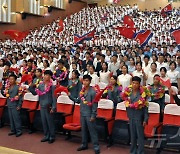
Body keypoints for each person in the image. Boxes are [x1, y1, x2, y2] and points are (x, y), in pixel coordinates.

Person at [121, 76, 149, 154]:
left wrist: (145, 119)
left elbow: (145, 107)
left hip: (139, 117)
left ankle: (140, 151)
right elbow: (126, 104)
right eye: (133, 83)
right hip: (131, 116)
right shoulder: (128, 93)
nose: (134, 85)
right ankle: (133, 151)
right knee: (132, 135)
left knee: (140, 136)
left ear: (139, 84)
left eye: (136, 83)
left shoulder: (142, 94)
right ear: (131, 83)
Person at [29, 70, 57, 144]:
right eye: (44, 75)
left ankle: (52, 136)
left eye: (47, 75)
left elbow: (54, 97)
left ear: (50, 77)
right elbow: (35, 93)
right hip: (42, 105)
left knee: (50, 122)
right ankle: (46, 135)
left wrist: (54, 107)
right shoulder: (40, 85)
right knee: (44, 121)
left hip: (49, 106)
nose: (45, 76)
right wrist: (31, 87)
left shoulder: (52, 86)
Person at [76, 75, 100, 154]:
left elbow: (94, 105)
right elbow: (78, 101)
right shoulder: (82, 91)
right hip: (82, 113)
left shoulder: (92, 92)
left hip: (89, 114)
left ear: (90, 82)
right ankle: (84, 144)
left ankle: (96, 147)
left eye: (87, 81)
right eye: (84, 80)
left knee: (92, 131)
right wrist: (69, 95)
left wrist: (93, 115)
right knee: (84, 130)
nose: (85, 82)